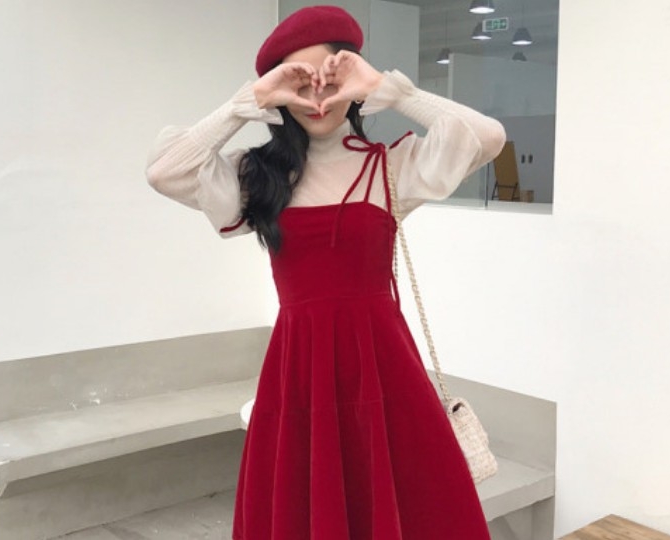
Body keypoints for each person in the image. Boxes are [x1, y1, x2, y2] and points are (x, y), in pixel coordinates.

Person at [146, 5, 505, 539]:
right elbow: (164, 171)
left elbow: (488, 137)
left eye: (331, 80)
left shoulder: (389, 166)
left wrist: (390, 90)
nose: (318, 98)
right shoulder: (258, 178)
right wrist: (250, 101)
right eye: (301, 83)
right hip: (298, 371)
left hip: (384, 368)